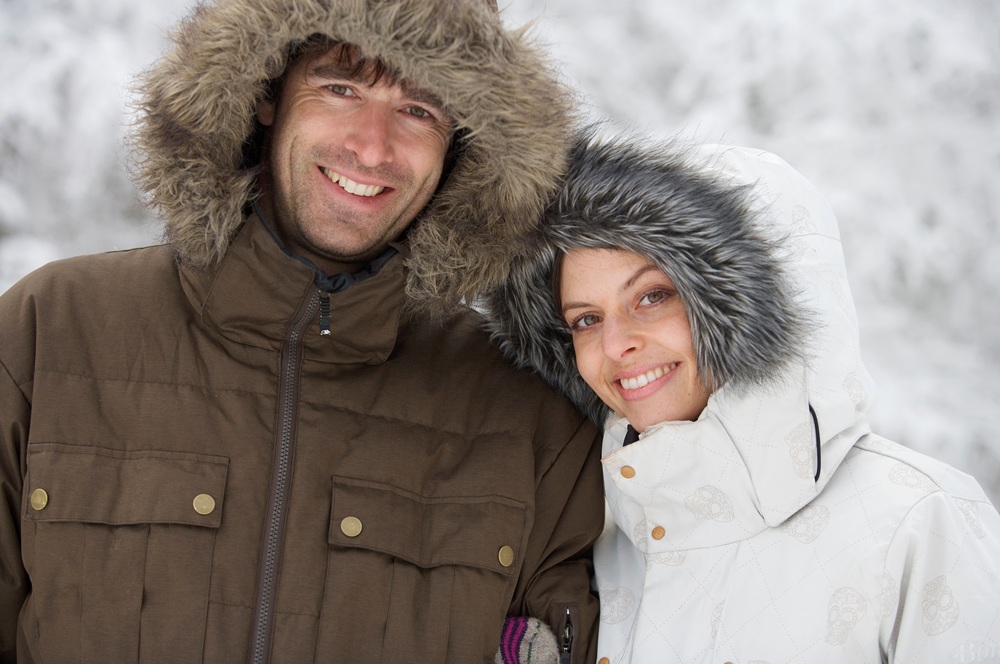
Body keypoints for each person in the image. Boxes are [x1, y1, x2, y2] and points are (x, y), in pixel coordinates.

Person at [0, 1, 606, 661]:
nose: (373, 146)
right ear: (266, 92)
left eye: (420, 110)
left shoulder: (527, 415)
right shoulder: (50, 332)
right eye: (341, 88)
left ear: (461, 145)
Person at [484, 129, 1000, 663]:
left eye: (653, 296)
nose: (615, 345)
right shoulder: (585, 531)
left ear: (754, 302)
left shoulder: (915, 519)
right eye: (585, 320)